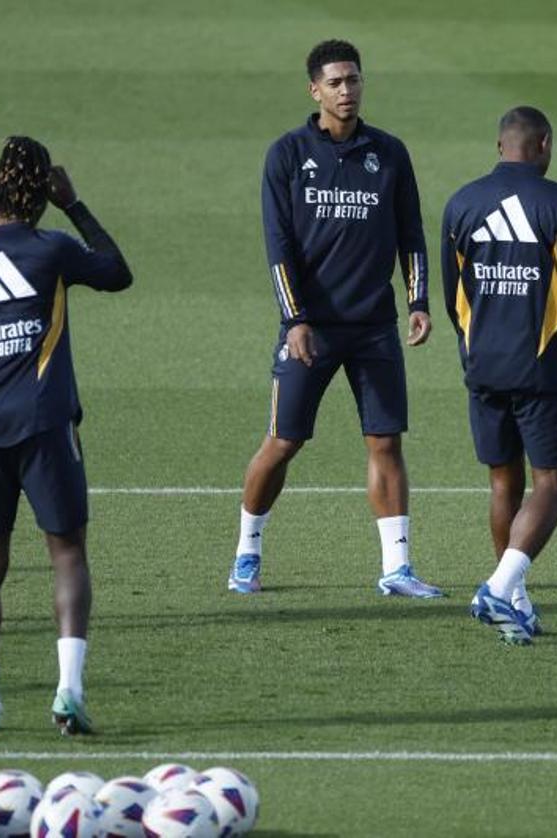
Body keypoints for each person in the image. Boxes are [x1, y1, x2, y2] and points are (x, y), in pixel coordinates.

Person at [0, 136, 132, 734]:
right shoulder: (52, 250)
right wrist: (75, 205)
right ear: (44, 188)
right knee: (67, 553)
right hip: (46, 427)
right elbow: (118, 272)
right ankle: (68, 691)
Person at [231, 39, 443, 599]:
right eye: (336, 82)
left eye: (354, 80)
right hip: (311, 329)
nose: (347, 91)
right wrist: (294, 318)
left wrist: (418, 301)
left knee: (385, 441)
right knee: (282, 442)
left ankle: (397, 567)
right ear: (314, 90)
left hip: (374, 326)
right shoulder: (286, 154)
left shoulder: (389, 153)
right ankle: (246, 552)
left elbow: (411, 235)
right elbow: (278, 247)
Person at [442, 106, 557, 645]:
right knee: (553, 482)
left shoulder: (461, 204)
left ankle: (511, 602)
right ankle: (499, 586)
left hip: (483, 366)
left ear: (500, 147)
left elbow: (454, 295)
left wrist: (475, 349)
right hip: (542, 368)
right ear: (546, 145)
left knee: (502, 481)